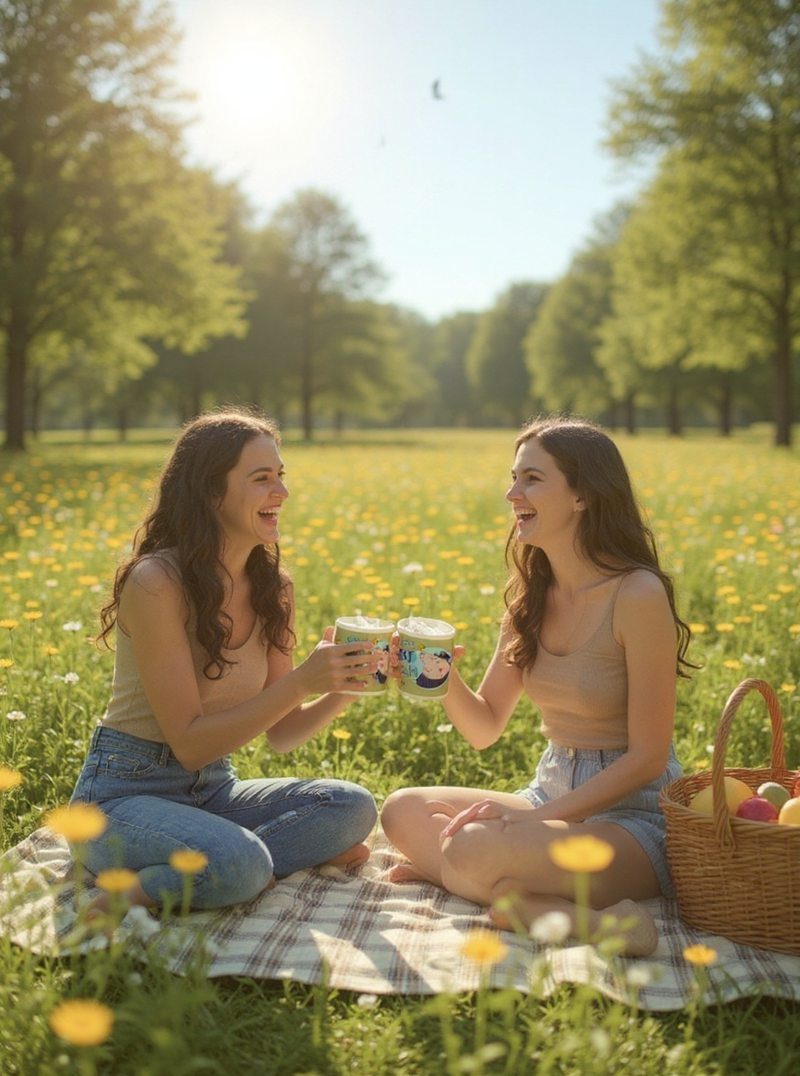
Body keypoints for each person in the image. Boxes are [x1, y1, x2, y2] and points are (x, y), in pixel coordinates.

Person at [381, 415, 693, 957]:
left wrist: (533, 819)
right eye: (513, 478)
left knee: (470, 847)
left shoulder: (636, 595)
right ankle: (524, 904)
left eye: (531, 479)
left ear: (583, 496)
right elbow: (484, 726)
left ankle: (485, 884)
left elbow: (647, 757)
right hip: (549, 789)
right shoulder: (530, 600)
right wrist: (440, 676)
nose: (511, 494)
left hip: (634, 816)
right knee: (401, 809)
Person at [70, 407, 379, 918]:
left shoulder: (273, 590)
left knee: (350, 805)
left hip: (213, 791)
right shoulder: (156, 583)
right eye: (262, 479)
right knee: (240, 860)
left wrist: (341, 686)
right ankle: (138, 891)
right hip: (122, 798)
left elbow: (283, 733)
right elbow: (189, 743)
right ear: (211, 493)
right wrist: (303, 679)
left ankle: (233, 865)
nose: (281, 492)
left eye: (281, 476)